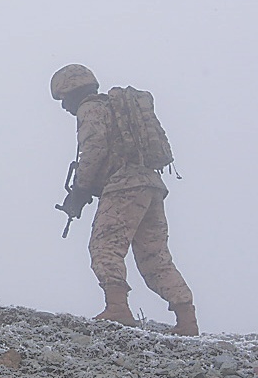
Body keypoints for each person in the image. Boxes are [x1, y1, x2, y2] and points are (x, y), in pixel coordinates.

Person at [52, 63, 199, 334]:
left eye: (63, 99)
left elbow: (93, 148)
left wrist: (81, 189)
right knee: (156, 257)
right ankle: (186, 319)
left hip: (123, 186)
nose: (64, 107)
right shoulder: (116, 108)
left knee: (104, 247)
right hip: (151, 184)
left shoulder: (90, 108)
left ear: (71, 90)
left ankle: (118, 308)